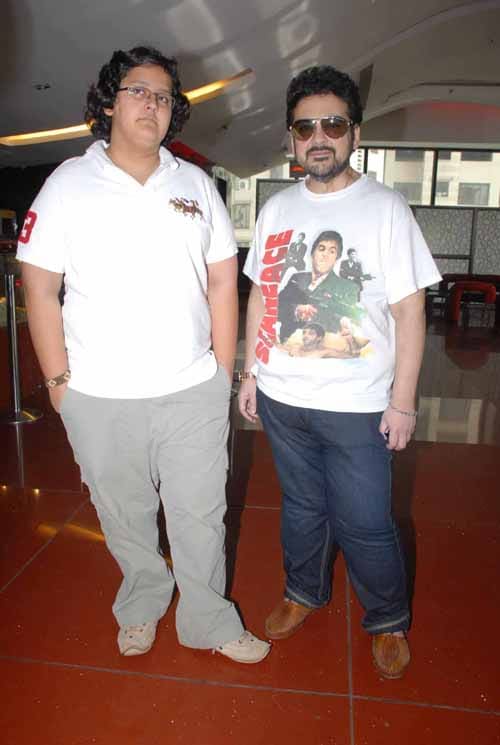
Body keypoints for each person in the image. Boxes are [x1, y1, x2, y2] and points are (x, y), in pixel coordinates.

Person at [18, 45, 270, 665]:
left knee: (201, 515)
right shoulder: (67, 185)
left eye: (163, 96)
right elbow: (40, 286)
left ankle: (208, 620)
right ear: (109, 102)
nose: (152, 104)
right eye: (138, 91)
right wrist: (58, 384)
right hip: (99, 396)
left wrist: (220, 370)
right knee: (126, 517)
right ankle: (141, 602)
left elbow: (221, 280)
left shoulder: (195, 186)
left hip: (190, 389)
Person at [238, 65, 441, 679]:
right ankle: (304, 592)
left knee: (366, 520)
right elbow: (259, 295)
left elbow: (410, 310)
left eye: (333, 124)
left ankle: (386, 619)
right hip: (282, 397)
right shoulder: (276, 208)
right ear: (292, 138)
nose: (318, 137)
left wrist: (402, 402)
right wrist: (251, 372)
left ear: (354, 132)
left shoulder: (384, 208)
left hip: (357, 404)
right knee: (301, 508)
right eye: (306, 127)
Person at [278, 229, 362, 342]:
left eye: (332, 251)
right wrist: (296, 310)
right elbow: (275, 308)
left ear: (336, 258)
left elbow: (352, 319)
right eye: (321, 249)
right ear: (312, 253)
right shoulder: (296, 279)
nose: (325, 255)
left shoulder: (348, 287)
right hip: (287, 348)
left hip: (326, 351)